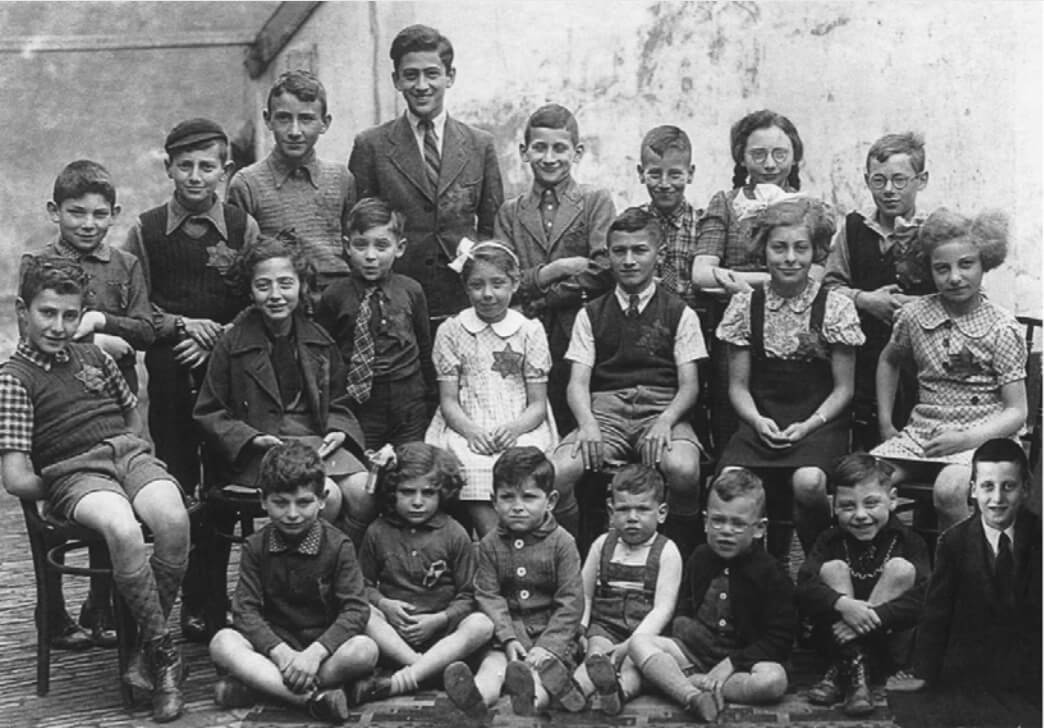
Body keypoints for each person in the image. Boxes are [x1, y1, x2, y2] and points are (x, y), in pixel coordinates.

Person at [0, 258, 191, 722]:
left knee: (174, 517)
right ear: (23, 312)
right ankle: (163, 658)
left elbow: (132, 416)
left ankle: (146, 651)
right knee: (122, 528)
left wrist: (131, 455)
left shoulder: (94, 355)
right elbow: (15, 477)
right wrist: (61, 479)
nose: (59, 326)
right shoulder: (13, 378)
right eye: (48, 313)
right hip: (74, 472)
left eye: (70, 315)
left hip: (127, 456)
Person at [123, 117, 260, 642]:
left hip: (228, 381)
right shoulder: (147, 228)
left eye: (208, 166)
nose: (196, 176)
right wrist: (180, 327)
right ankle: (175, 605)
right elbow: (134, 307)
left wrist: (220, 336)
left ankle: (211, 600)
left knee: (223, 487)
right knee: (179, 486)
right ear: (169, 168)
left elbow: (260, 299)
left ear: (225, 171)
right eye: (185, 166)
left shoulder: (243, 226)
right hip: (171, 377)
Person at [20, 159, 155, 649]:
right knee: (49, 512)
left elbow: (145, 328)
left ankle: (104, 605)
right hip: (52, 406)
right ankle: (51, 613)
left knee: (115, 503)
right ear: (55, 211)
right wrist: (97, 345)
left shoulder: (126, 265)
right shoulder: (37, 266)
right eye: (77, 213)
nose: (88, 224)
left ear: (114, 214)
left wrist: (104, 324)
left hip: (112, 404)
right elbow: (31, 336)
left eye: (99, 214)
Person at [193, 232, 370, 553]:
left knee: (364, 492)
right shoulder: (232, 344)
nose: (275, 295)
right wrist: (250, 438)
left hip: (316, 442)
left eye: (285, 284)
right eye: (264, 286)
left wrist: (338, 430)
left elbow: (339, 400)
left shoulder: (317, 338)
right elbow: (210, 412)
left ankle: (341, 568)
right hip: (262, 450)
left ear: (302, 286)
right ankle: (302, 576)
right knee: (323, 496)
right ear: (250, 289)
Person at [552, 207, 707, 557]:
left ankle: (679, 557)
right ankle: (571, 558)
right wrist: (587, 424)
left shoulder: (680, 311)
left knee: (683, 469)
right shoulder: (590, 313)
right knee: (558, 473)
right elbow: (578, 382)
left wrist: (666, 421)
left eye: (640, 250)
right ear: (608, 256)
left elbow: (690, 385)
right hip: (605, 411)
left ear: (659, 254)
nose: (629, 260)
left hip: (662, 407)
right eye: (619, 251)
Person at [715, 197, 864, 558]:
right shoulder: (745, 305)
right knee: (729, 483)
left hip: (819, 422)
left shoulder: (836, 306)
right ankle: (750, 568)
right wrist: (756, 421)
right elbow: (738, 386)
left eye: (801, 248)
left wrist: (810, 425)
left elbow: (844, 388)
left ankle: (819, 561)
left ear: (815, 252)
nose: (790, 258)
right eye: (778, 248)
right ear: (763, 251)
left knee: (808, 481)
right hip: (760, 419)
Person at [872, 209, 1027, 530]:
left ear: (985, 263)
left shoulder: (1001, 327)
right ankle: (903, 563)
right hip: (924, 433)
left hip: (986, 436)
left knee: (949, 490)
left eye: (966, 264)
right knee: (867, 482)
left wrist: (965, 439)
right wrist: (886, 422)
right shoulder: (915, 316)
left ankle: (963, 573)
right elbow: (889, 361)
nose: (954, 276)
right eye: (942, 268)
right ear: (928, 269)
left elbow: (1017, 411)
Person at [208, 441, 378, 724]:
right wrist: (280, 653)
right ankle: (313, 700)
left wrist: (315, 653)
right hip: (276, 646)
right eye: (280, 502)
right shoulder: (255, 547)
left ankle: (263, 686)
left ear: (322, 499)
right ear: (263, 500)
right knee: (222, 642)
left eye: (304, 502)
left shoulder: (339, 546)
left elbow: (356, 610)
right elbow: (245, 611)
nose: (292, 514)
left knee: (365, 651)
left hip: (323, 649)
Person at [348, 24, 503, 329]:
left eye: (432, 74)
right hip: (395, 301)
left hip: (462, 299)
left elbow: (492, 226)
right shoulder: (372, 145)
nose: (421, 85)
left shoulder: (479, 144)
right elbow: (357, 226)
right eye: (410, 75)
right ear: (396, 80)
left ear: (450, 77)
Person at [628, 469, 793, 723]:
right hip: (693, 653)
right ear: (705, 522)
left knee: (773, 681)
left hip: (741, 664)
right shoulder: (699, 557)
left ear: (759, 528)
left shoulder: (771, 573)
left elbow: (780, 638)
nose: (726, 531)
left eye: (738, 524)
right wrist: (685, 630)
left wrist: (733, 663)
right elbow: (684, 605)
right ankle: (692, 695)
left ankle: (676, 682)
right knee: (639, 643)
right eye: (718, 521)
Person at [690, 110, 808, 455]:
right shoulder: (725, 204)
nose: (769, 164)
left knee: (789, 414)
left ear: (795, 155)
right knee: (732, 415)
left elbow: (813, 274)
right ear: (742, 156)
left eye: (780, 154)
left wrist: (737, 279)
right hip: (735, 324)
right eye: (758, 154)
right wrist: (776, 280)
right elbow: (701, 272)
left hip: (796, 324)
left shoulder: (807, 207)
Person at [493, 103, 615, 431]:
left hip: (581, 332)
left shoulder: (595, 201)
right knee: (526, 420)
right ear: (524, 151)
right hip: (522, 335)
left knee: (576, 421)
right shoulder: (510, 212)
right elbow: (501, 277)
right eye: (540, 148)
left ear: (577, 152)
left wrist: (544, 298)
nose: (549, 158)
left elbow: (604, 269)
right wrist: (555, 269)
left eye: (559, 148)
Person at [425, 240, 557, 536]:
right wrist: (472, 432)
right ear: (465, 287)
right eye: (477, 285)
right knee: (471, 462)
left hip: (519, 422)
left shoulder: (529, 330)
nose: (487, 294)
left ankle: (525, 542)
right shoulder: (452, 330)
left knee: (522, 464)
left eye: (498, 283)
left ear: (515, 283)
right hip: (467, 420)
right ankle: (493, 542)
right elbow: (448, 400)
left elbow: (537, 404)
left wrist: (514, 429)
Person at [442, 447, 585, 718]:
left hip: (551, 637)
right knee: (492, 667)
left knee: (543, 674)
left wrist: (547, 645)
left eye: (529, 497)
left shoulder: (563, 543)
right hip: (506, 635)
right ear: (494, 501)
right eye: (507, 497)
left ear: (551, 500)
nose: (517, 506)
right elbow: (488, 595)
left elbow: (571, 602)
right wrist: (508, 638)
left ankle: (531, 701)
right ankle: (476, 700)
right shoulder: (489, 545)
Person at [350, 443, 494, 705]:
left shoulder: (454, 533)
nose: (417, 501)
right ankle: (424, 669)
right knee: (364, 614)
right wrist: (384, 604)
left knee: (482, 625)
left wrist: (439, 619)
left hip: (442, 636)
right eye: (407, 492)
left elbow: (469, 594)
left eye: (428, 493)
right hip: (393, 637)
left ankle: (406, 678)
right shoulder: (378, 531)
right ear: (393, 492)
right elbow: (362, 584)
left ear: (442, 494)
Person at [898, 439, 1040, 699]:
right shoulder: (955, 542)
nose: (997, 499)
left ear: (1026, 489)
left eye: (1008, 487)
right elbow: (936, 613)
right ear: (973, 490)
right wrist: (926, 674)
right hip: (971, 668)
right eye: (988, 487)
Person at [796, 453, 930, 716]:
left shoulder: (910, 541)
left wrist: (874, 616)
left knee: (901, 569)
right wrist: (843, 605)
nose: (860, 515)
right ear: (834, 505)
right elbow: (803, 588)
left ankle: (844, 670)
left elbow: (926, 597)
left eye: (871, 503)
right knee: (832, 569)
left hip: (889, 646)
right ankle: (856, 671)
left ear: (892, 500)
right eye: (848, 506)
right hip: (834, 641)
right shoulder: (830, 540)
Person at [823, 132, 934, 449]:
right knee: (868, 439)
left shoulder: (936, 230)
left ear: (921, 180)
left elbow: (960, 293)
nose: (888, 190)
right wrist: (864, 300)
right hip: (863, 357)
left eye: (899, 180)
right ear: (866, 180)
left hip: (922, 362)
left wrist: (915, 305)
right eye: (878, 180)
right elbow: (829, 287)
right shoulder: (854, 228)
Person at [316, 197, 434, 451]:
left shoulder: (412, 291)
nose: (371, 256)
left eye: (381, 246)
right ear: (347, 246)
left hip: (408, 403)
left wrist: (429, 400)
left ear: (399, 248)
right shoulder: (334, 296)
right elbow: (324, 357)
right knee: (364, 468)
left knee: (410, 465)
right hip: (359, 405)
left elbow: (425, 349)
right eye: (361, 245)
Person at [227, 70, 357, 291]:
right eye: (284, 118)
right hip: (279, 298)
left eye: (306, 118)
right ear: (268, 119)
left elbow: (355, 247)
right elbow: (241, 261)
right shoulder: (247, 183)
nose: (295, 131)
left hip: (337, 298)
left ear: (324, 123)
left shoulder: (341, 179)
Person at [570, 464, 682, 715]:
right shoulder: (602, 544)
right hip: (605, 626)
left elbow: (663, 608)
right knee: (596, 653)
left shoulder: (667, 551)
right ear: (611, 512)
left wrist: (631, 644)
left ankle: (617, 693)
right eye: (623, 509)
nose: (632, 517)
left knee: (635, 665)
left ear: (661, 512)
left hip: (644, 632)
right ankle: (575, 691)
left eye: (642, 509)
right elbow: (584, 593)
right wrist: (583, 627)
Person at [637, 125, 700, 307]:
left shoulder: (704, 226)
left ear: (690, 174)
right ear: (641, 174)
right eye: (655, 174)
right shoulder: (632, 225)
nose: (664, 184)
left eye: (675, 175)